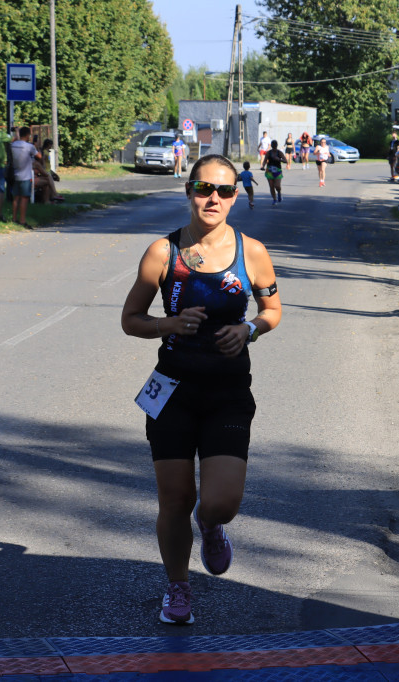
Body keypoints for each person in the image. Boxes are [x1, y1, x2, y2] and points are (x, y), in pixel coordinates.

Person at [120, 153, 282, 626]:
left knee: (218, 503)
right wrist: (169, 323)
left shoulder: (251, 251)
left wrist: (250, 330)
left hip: (228, 391)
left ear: (235, 196)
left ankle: (211, 527)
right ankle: (178, 585)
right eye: (204, 188)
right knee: (174, 500)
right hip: (172, 389)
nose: (213, 198)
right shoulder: (161, 252)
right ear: (188, 191)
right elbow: (130, 320)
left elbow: (273, 311)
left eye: (225, 190)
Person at [10, 126, 40, 228]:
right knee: (24, 198)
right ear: (27, 135)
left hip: (15, 174)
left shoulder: (13, 145)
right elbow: (39, 156)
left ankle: (14, 218)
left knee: (16, 197)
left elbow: (13, 140)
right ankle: (22, 220)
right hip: (25, 176)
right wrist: (36, 146)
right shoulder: (29, 147)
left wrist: (16, 133)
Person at [33, 139, 64, 204]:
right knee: (49, 181)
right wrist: (43, 165)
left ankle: (52, 196)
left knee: (50, 182)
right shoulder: (45, 152)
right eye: (51, 145)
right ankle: (53, 195)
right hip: (46, 170)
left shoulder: (47, 151)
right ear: (48, 144)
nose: (51, 146)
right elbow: (43, 159)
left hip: (48, 169)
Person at [261, 140, 287, 205]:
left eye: (275, 144)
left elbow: (285, 160)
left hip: (277, 171)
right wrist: (263, 166)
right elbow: (265, 160)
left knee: (277, 186)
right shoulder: (268, 153)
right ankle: (274, 199)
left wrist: (279, 159)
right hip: (269, 170)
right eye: (273, 144)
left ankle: (279, 193)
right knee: (271, 186)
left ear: (276, 145)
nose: (274, 146)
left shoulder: (279, 153)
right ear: (272, 145)